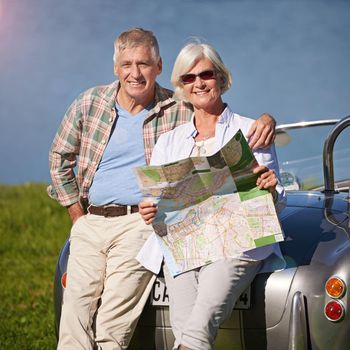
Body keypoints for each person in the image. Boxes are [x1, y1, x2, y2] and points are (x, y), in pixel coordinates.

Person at [48, 28, 277, 350]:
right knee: (75, 311)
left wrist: (269, 120)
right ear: (116, 67)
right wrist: (78, 215)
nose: (135, 73)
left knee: (120, 325)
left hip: (187, 234)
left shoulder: (191, 111)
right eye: (126, 64)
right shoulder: (94, 104)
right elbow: (61, 158)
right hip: (114, 225)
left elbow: (222, 116)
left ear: (158, 67)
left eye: (144, 64)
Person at [138, 41, 286, 350]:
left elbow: (274, 204)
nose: (198, 83)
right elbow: (156, 202)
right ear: (180, 86)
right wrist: (150, 210)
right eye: (188, 78)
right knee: (184, 329)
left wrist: (271, 190)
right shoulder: (169, 141)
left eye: (205, 74)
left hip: (238, 244)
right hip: (184, 246)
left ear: (220, 76)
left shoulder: (252, 130)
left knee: (196, 330)